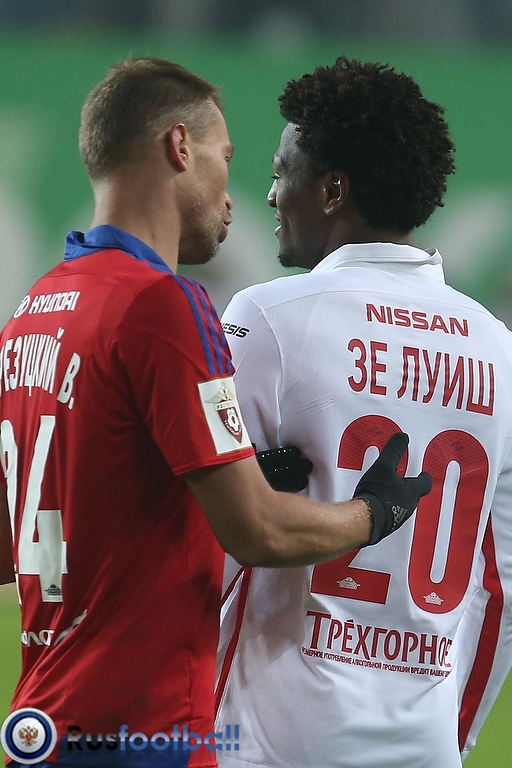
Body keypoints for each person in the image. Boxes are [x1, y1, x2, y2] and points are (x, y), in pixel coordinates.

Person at [0, 57, 430, 768]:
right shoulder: (164, 305)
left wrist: (204, 484)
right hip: (143, 733)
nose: (235, 198)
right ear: (179, 147)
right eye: (225, 160)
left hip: (42, 728)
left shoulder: (33, 313)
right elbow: (258, 530)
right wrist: (375, 512)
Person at [215, 56, 512, 768]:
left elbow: (206, 532)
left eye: (282, 172)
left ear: (332, 190)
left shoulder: (267, 320)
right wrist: (451, 737)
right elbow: (500, 585)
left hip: (268, 737)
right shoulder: (499, 348)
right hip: (422, 745)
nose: (269, 194)